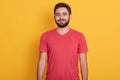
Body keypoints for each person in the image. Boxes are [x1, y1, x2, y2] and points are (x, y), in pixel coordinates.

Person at [38, 2, 88, 80]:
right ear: (54, 17)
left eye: (64, 14)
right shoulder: (45, 36)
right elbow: (42, 62)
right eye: (58, 14)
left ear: (70, 16)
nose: (61, 17)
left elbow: (83, 63)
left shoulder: (80, 36)